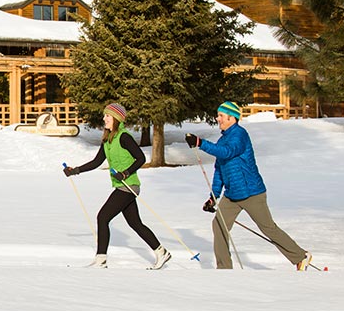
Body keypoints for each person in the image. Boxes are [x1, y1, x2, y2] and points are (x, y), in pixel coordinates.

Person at [185, 101, 312, 270]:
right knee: (219, 225)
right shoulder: (223, 139)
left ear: (232, 118)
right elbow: (219, 171)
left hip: (252, 193)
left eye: (221, 116)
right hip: (232, 196)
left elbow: (227, 152)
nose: (218, 119)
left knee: (268, 228)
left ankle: (301, 256)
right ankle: (224, 270)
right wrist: (213, 197)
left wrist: (200, 143)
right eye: (218, 115)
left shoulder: (240, 135)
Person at [64, 103, 171, 269]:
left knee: (103, 217)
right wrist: (75, 170)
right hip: (122, 186)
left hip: (128, 186)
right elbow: (96, 162)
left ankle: (101, 260)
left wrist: (126, 173)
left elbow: (141, 158)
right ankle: (161, 252)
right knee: (135, 223)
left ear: (116, 118)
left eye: (107, 116)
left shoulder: (124, 137)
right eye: (105, 115)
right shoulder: (107, 140)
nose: (104, 118)